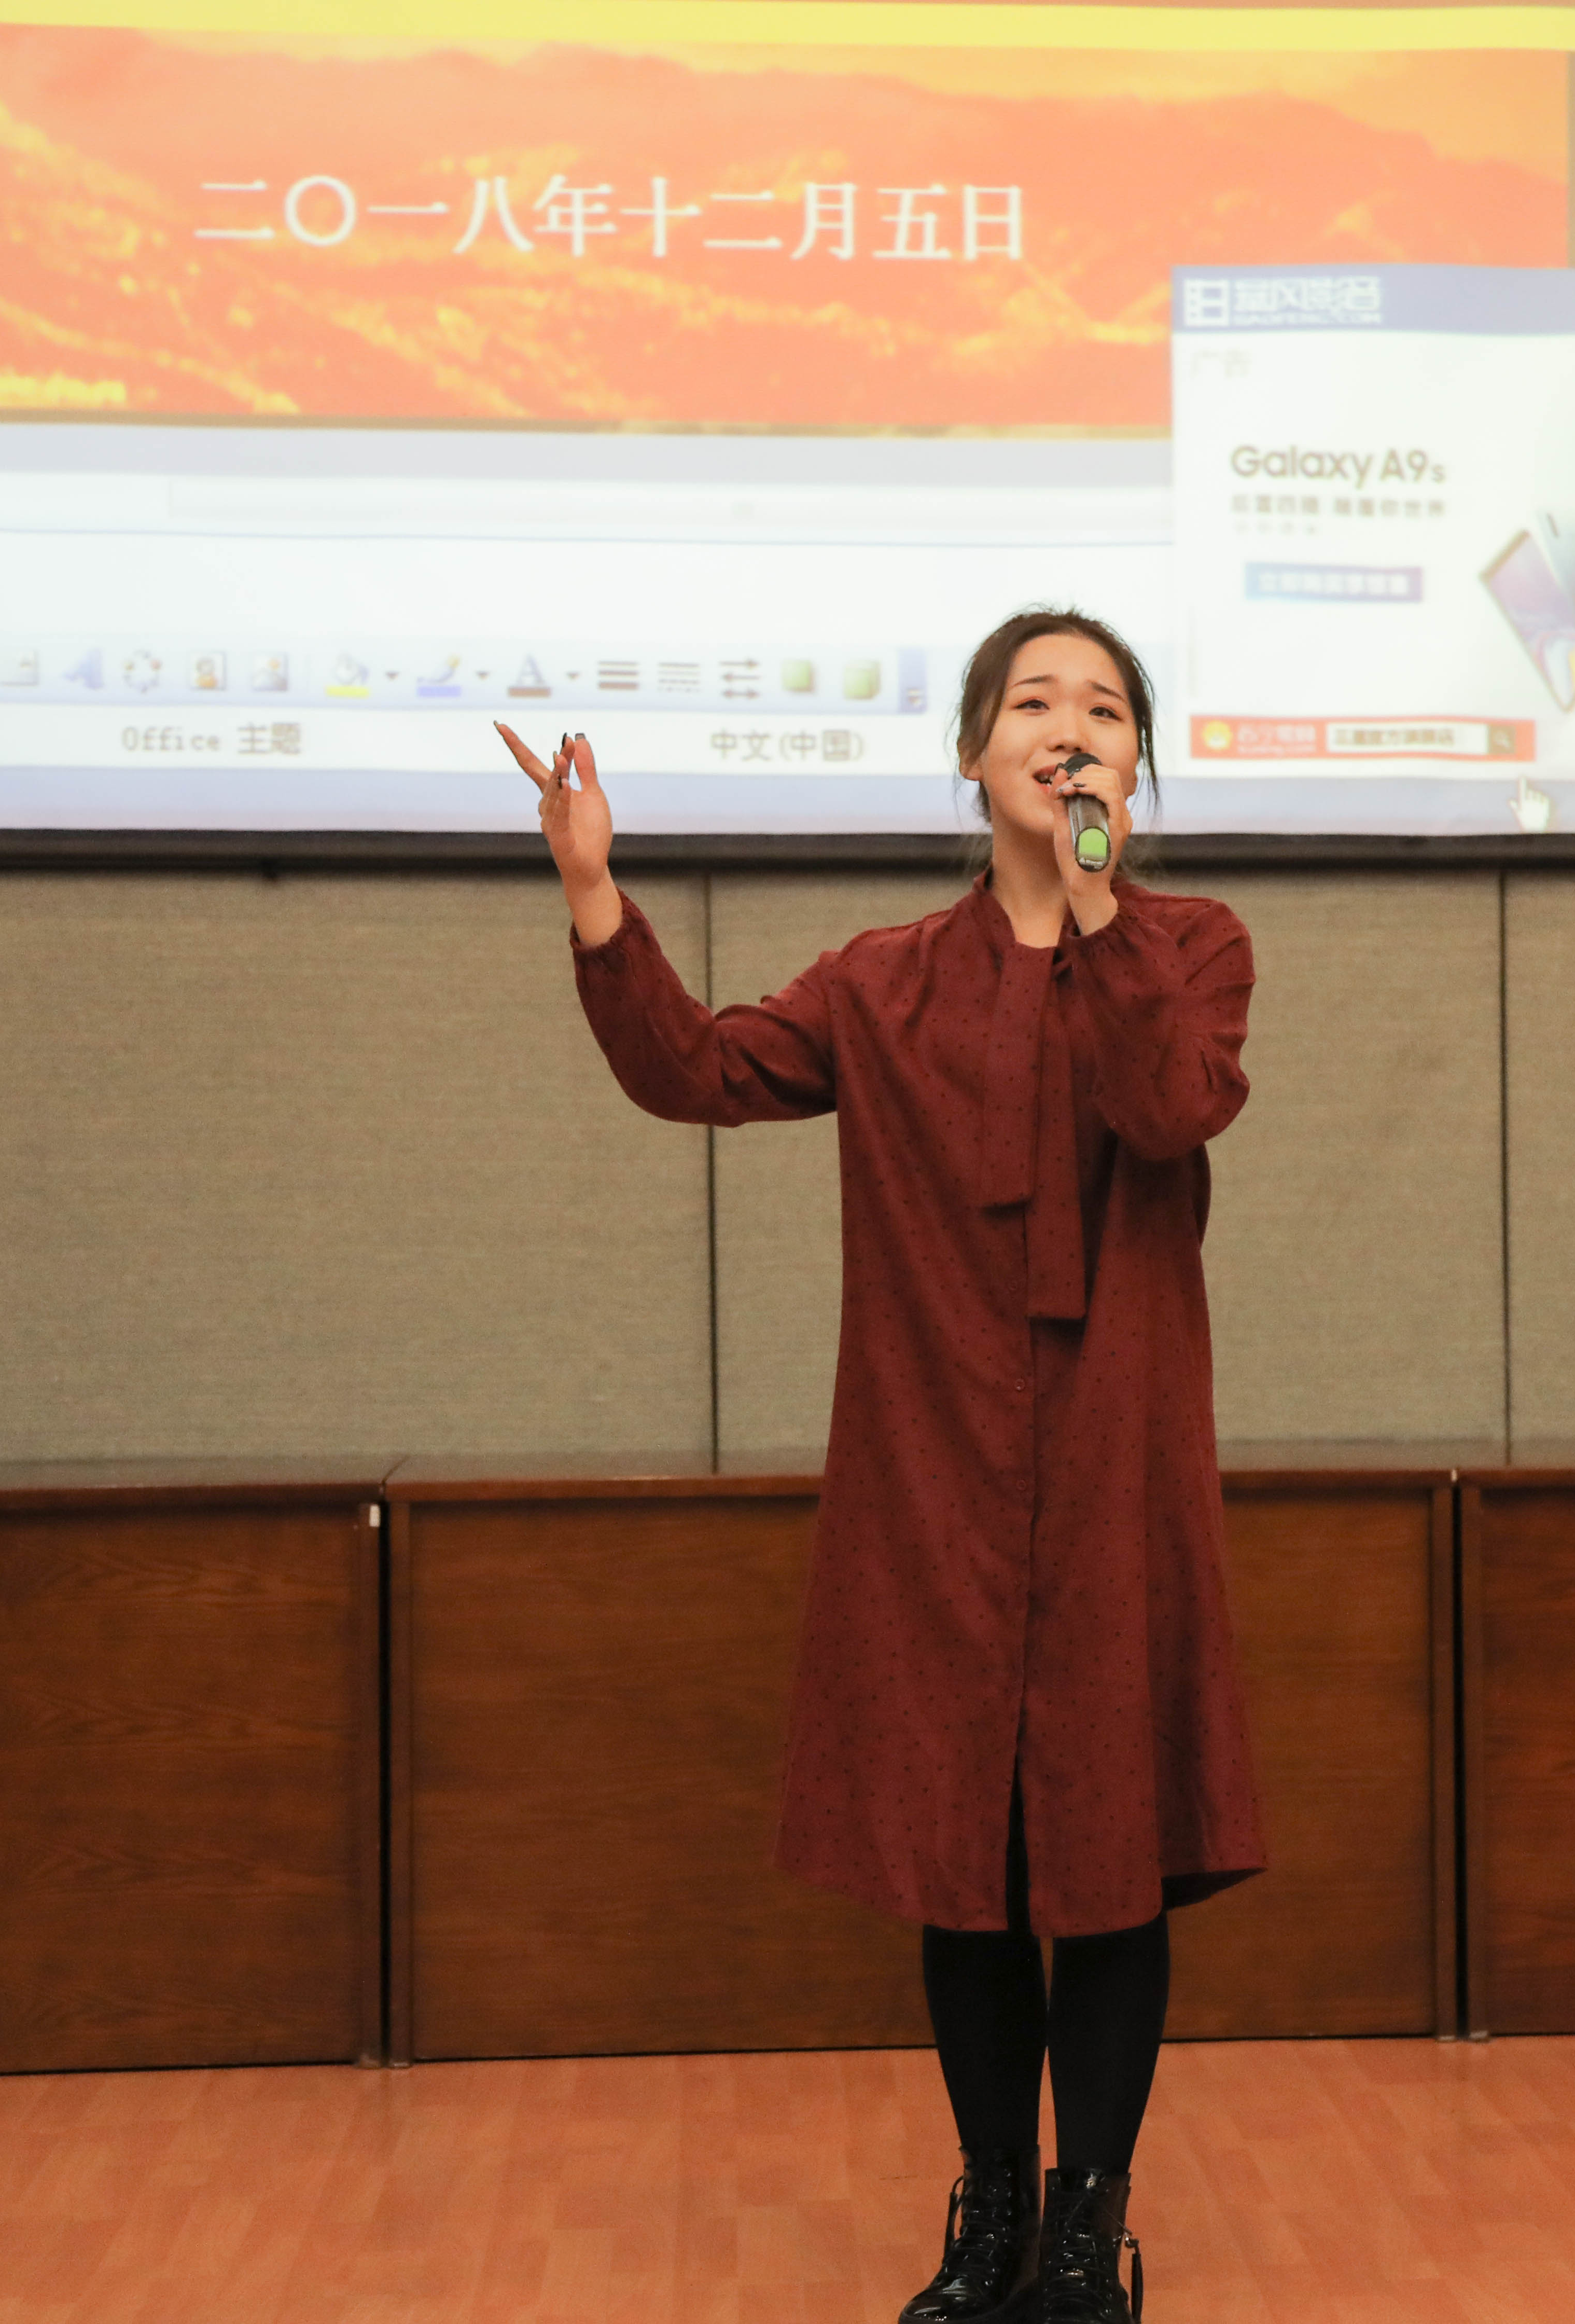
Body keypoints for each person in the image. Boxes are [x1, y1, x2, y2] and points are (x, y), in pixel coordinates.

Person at [500, 606, 1264, 2324]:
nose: (1069, 730)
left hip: (1117, 1470)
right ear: (976, 753)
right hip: (935, 1474)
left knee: (1109, 1856)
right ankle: (990, 2216)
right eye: (1035, 703)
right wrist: (596, 898)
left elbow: (1169, 1107)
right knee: (964, 1861)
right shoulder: (882, 979)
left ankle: (1089, 2234)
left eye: (1105, 712)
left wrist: (1097, 906)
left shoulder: (1196, 948)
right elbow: (697, 1070)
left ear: (1136, 766)